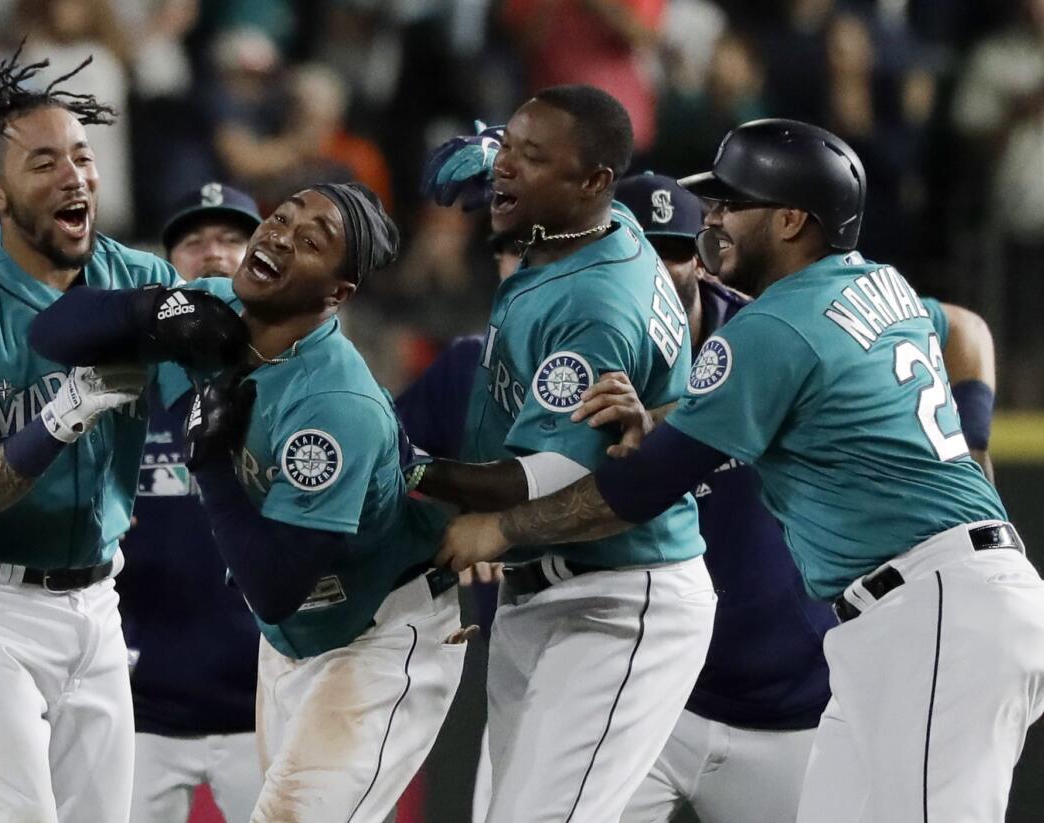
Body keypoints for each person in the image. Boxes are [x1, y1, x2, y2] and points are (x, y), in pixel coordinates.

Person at [437, 118, 1044, 822]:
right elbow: (960, 333)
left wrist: (503, 527)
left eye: (733, 205)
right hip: (919, 608)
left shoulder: (771, 328)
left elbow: (634, 490)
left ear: (791, 220)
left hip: (935, 610)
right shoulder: (876, 283)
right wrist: (976, 466)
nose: (714, 221)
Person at [28, 182, 469, 823]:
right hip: (295, 639)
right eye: (283, 217)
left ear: (337, 294)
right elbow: (53, 332)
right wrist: (150, 309)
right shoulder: (220, 307)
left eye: (311, 240)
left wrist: (211, 467)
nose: (282, 235)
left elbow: (277, 585)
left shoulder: (334, 403)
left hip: (382, 631)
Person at [0, 47, 246, 823]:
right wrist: (57, 419)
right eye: (43, 162)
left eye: (82, 156)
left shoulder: (132, 279)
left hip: (94, 604)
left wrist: (218, 316)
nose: (73, 176)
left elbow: (227, 314)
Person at [610, 171, 999, 822]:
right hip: (656, 700)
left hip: (801, 702)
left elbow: (963, 328)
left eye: (677, 247)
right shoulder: (584, 346)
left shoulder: (778, 324)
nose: (663, 268)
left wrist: (976, 439)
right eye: (642, 248)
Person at [419, 85, 715, 823]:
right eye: (510, 149)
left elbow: (548, 476)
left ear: (594, 183)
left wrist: (415, 474)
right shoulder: (593, 223)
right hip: (545, 594)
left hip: (617, 599)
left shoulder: (595, 306)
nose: (506, 168)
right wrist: (500, 154)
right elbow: (483, 163)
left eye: (533, 158)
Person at [118, 182, 264, 823]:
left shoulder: (300, 379)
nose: (214, 254)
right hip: (141, 710)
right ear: (164, 264)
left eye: (234, 239)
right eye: (195, 241)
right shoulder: (123, 388)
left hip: (269, 706)